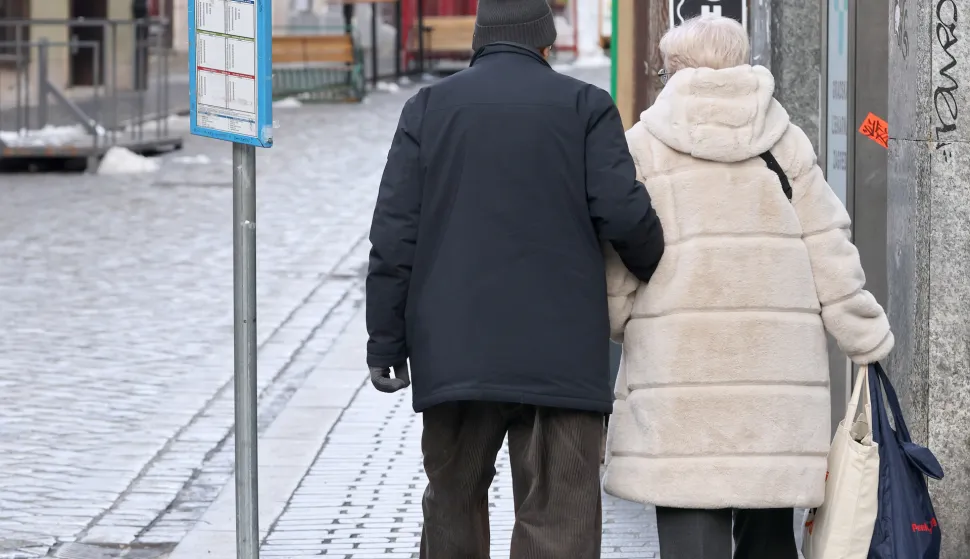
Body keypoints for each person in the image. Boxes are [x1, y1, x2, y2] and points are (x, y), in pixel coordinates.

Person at [365, 0, 665, 556]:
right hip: (561, 355)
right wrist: (651, 263)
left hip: (454, 349)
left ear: (479, 40)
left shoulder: (428, 109)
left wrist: (386, 339)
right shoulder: (585, 107)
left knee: (452, 503)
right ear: (545, 43)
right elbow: (624, 213)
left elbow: (393, 234)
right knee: (560, 517)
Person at [602, 15, 894, 559]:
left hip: (679, 377)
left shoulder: (642, 145)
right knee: (767, 535)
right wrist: (864, 334)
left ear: (674, 69)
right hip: (773, 379)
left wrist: (618, 319)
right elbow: (829, 245)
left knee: (690, 525)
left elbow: (622, 256)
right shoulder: (784, 141)